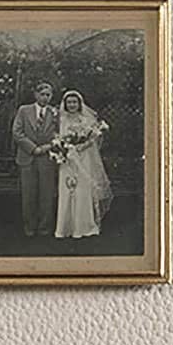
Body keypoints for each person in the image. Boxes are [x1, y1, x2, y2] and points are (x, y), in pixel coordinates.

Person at [53, 90, 113, 241]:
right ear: (65, 104)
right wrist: (63, 148)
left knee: (82, 190)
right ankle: (64, 228)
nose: (72, 105)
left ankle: (83, 226)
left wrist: (81, 146)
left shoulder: (86, 119)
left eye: (74, 102)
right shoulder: (60, 119)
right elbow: (57, 138)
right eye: (69, 102)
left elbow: (93, 138)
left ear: (79, 104)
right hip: (67, 159)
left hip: (83, 158)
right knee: (67, 189)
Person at [11, 80, 61, 238]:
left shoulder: (55, 113)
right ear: (36, 94)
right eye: (42, 94)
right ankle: (29, 227)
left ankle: (44, 228)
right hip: (27, 157)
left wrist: (48, 147)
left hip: (47, 158)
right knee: (28, 194)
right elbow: (17, 132)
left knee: (46, 194)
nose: (46, 97)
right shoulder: (24, 110)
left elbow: (60, 135)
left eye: (49, 95)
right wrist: (33, 148)